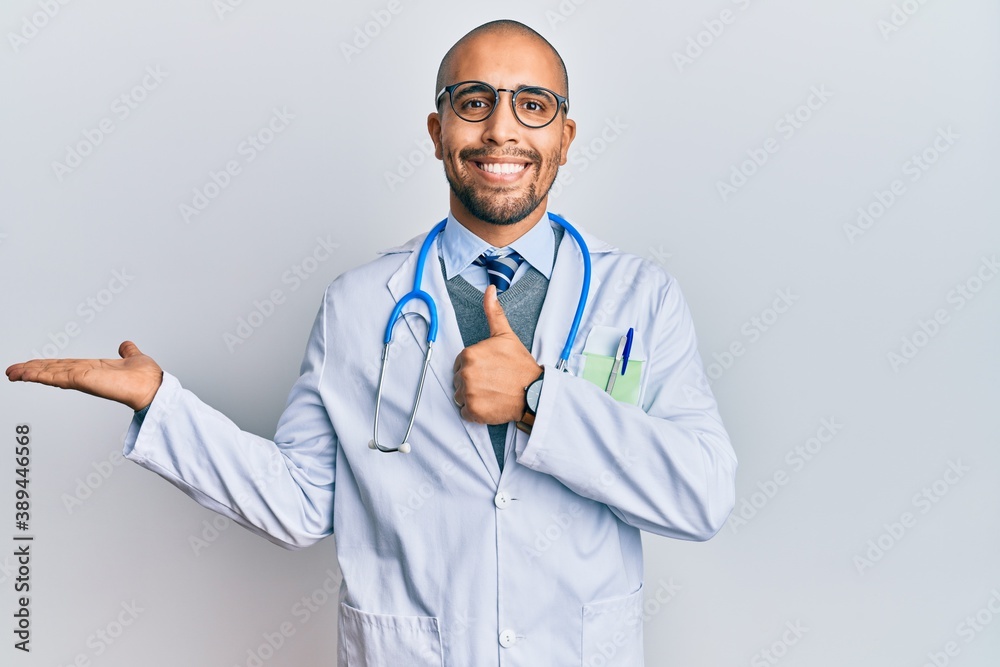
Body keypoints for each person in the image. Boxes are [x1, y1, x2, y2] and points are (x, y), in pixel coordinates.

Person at [6, 19, 737, 666]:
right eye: (474, 101)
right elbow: (299, 504)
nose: (502, 131)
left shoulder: (641, 297)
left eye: (533, 105)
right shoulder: (358, 306)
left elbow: (703, 494)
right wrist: (163, 406)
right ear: (437, 130)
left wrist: (539, 399)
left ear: (565, 138)